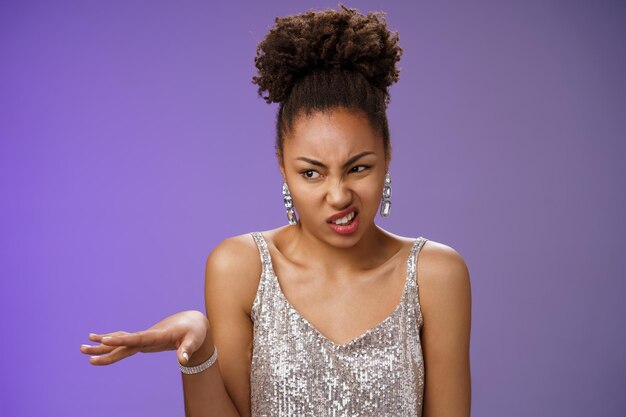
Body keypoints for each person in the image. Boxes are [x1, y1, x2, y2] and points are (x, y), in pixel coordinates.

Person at [80, 5, 471, 417]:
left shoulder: (435, 275)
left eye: (358, 168)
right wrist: (198, 354)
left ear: (387, 158)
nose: (338, 196)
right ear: (283, 167)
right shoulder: (241, 267)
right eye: (312, 173)